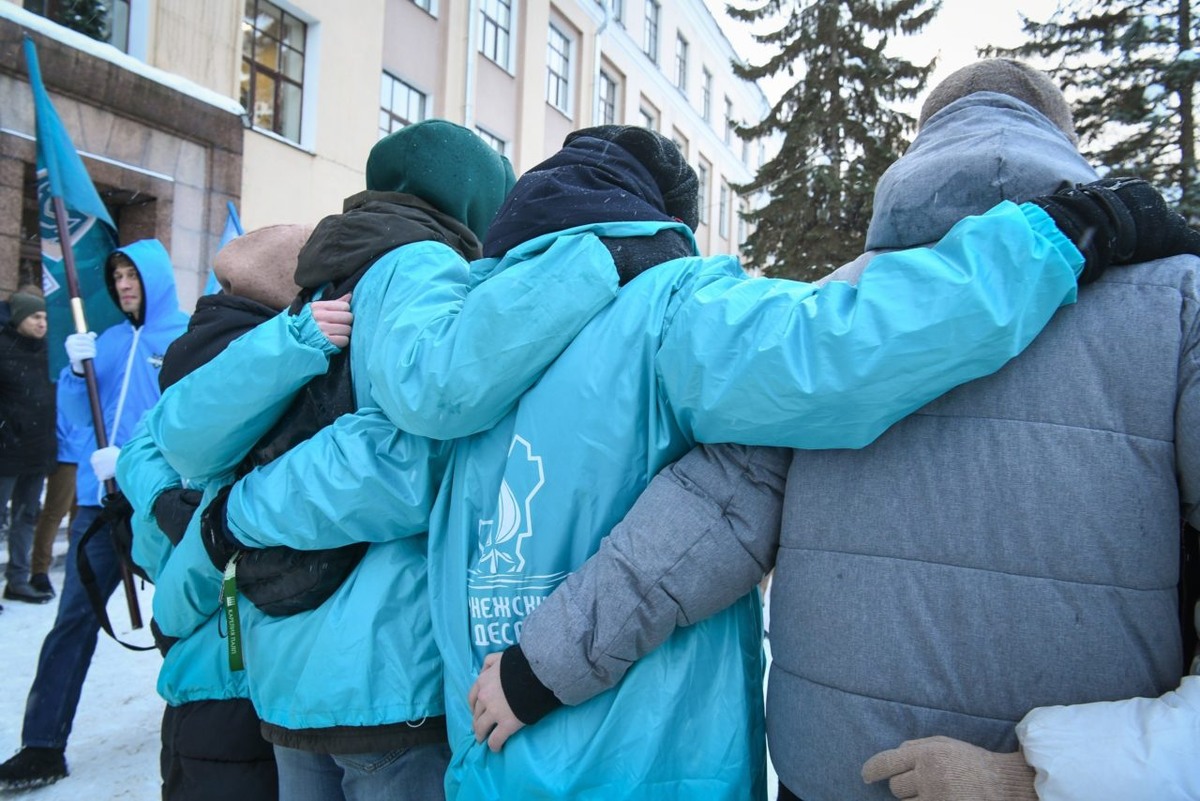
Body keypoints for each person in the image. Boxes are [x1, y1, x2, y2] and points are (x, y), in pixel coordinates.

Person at [466, 63, 1200, 801]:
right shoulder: (1176, 308)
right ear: (1065, 148)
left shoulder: (824, 312)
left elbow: (709, 512)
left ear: (923, 151)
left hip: (836, 777)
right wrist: (1048, 776)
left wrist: (539, 669)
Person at [149, 119, 627, 801]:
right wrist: (590, 265)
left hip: (289, 672)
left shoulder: (319, 286)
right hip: (381, 674)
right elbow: (417, 451)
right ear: (472, 206)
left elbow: (188, 439)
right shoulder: (418, 261)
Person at [117, 223, 314, 801]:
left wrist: (162, 506)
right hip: (253, 673)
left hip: (195, 677)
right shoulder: (274, 369)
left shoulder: (192, 353)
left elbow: (142, 455)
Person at [0, 239, 188, 791]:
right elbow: (80, 418)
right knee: (73, 621)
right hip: (99, 508)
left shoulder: (181, 336)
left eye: (133, 275)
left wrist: (132, 462)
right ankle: (42, 745)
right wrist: (78, 374)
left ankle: (204, 728)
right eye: (118, 277)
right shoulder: (103, 343)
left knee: (184, 619)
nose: (125, 285)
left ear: (153, 278)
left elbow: (189, 420)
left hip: (157, 505)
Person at [0, 290, 56, 605]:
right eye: (36, 317)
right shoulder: (2, 348)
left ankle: (17, 580)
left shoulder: (49, 351)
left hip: (37, 451)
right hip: (5, 452)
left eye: (45, 318)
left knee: (26, 517)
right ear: (20, 318)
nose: (42, 323)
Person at [28, 376, 84, 598]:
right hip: (66, 457)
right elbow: (60, 418)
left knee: (80, 517)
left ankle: (77, 565)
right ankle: (39, 570)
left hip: (88, 455)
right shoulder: (65, 379)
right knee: (54, 513)